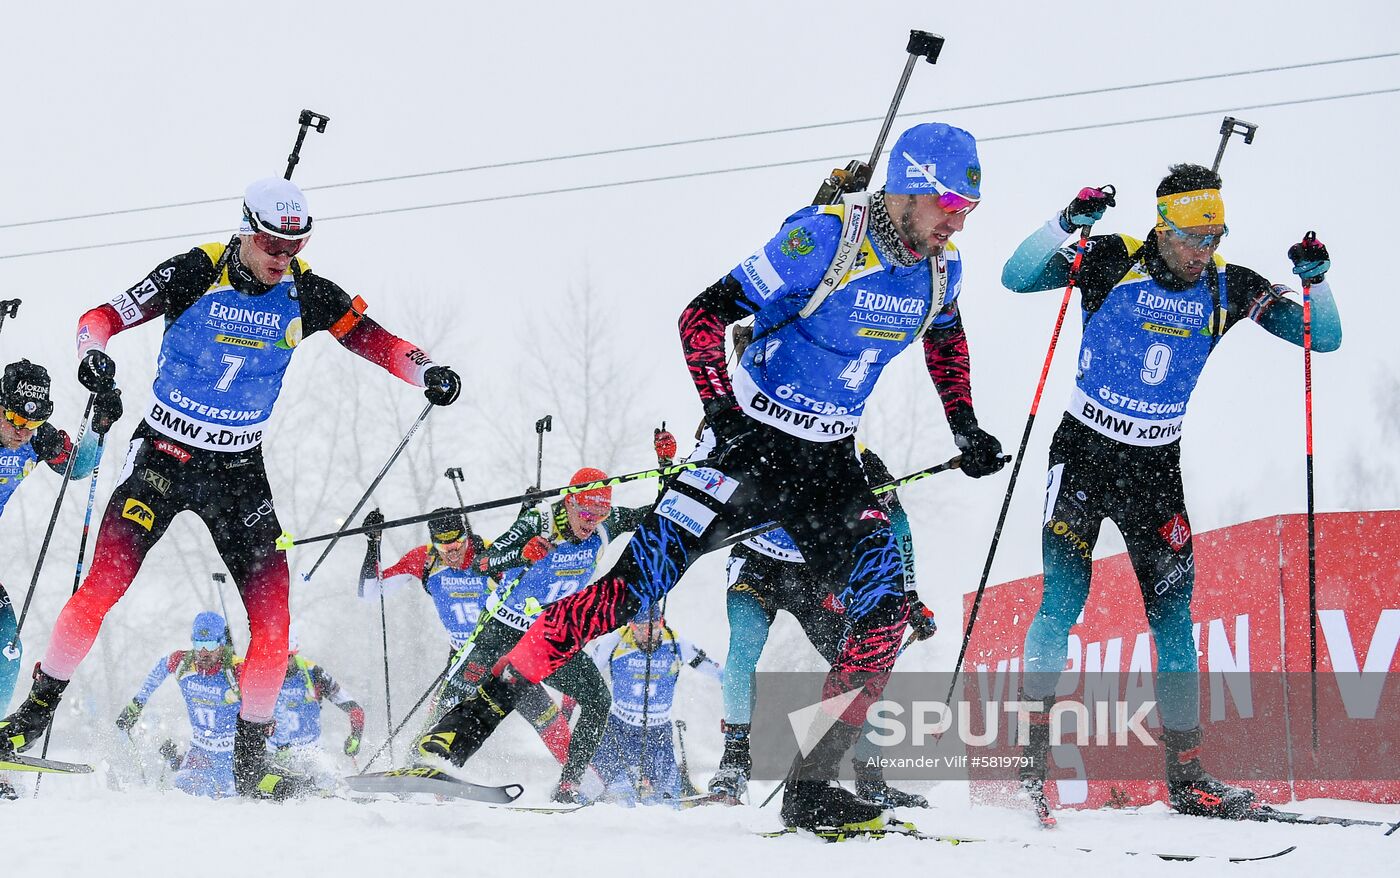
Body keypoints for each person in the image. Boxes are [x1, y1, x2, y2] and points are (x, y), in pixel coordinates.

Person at [420, 122, 1006, 830]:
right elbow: (700, 317)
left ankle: (814, 788)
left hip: (829, 464)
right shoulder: (826, 236)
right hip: (747, 450)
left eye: (967, 210)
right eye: (946, 204)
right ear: (907, 187)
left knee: (883, 612)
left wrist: (966, 426)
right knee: (627, 592)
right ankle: (467, 721)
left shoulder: (944, 269)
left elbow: (946, 337)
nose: (956, 222)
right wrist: (724, 415)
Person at [0, 178, 462, 799]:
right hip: (164, 455)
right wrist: (93, 355)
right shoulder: (196, 270)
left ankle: (251, 762)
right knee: (101, 589)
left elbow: (378, 342)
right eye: (271, 241)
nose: (281, 256)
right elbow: (99, 318)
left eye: (293, 245)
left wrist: (426, 370)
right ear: (246, 229)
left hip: (239, 471)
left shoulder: (307, 293)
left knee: (274, 624)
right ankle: (28, 721)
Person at [1000, 165, 1342, 820]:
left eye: (1214, 236)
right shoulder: (1111, 256)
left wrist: (1316, 282)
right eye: (1191, 237)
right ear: (1163, 226)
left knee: (1173, 621)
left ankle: (1188, 779)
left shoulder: (1229, 285)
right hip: (1083, 455)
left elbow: (1320, 339)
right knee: (1063, 598)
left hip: (1155, 472)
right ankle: (1028, 770)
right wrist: (1067, 222)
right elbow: (1017, 277)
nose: (1202, 251)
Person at [416, 433, 674, 804]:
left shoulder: (605, 523)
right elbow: (485, 562)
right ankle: (420, 760)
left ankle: (568, 784)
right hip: (505, 629)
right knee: (457, 693)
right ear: (569, 501)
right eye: (585, 513)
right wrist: (522, 554)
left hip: (550, 637)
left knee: (598, 700)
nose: (591, 522)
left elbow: (658, 516)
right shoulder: (538, 522)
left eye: (599, 515)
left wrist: (667, 467)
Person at [708, 440, 935, 808]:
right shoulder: (762, 435)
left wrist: (909, 598)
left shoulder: (855, 453)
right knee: (744, 646)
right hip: (757, 566)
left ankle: (871, 778)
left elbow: (897, 521)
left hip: (813, 574)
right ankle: (734, 761)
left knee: (867, 665)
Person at [361, 506, 575, 762]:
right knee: (438, 727)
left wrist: (527, 519)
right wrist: (373, 542)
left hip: (505, 655)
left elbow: (528, 572)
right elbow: (370, 592)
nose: (453, 554)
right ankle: (414, 781)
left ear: (465, 536)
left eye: (458, 545)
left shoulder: (489, 552)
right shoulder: (426, 560)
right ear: (434, 544)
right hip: (464, 656)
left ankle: (582, 782)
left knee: (549, 721)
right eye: (445, 548)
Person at [0, 360, 116, 800]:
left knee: (7, 648)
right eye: (13, 418)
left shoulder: (35, 443)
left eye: (33, 422)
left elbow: (82, 466)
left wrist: (100, 420)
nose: (22, 430)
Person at [585, 613, 721, 806]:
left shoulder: (675, 642)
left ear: (662, 623)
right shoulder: (615, 641)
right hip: (619, 731)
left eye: (654, 628)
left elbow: (714, 669)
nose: (648, 634)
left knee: (667, 799)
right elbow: (585, 674)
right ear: (631, 626)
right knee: (603, 792)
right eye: (640, 629)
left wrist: (736, 683)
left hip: (657, 734)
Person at [115, 612, 243, 798]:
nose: (204, 652)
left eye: (211, 644)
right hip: (200, 751)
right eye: (199, 644)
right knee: (181, 795)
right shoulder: (183, 662)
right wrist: (136, 705)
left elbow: (267, 696)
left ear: (222, 643)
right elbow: (157, 673)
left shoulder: (237, 669)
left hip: (232, 754)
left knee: (232, 802)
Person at [267, 629, 366, 787]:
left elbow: (355, 709)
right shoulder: (262, 674)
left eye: (288, 657)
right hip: (275, 754)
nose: (283, 663)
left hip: (310, 752)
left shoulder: (313, 673)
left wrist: (355, 737)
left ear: (294, 653)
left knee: (327, 789)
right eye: (278, 657)